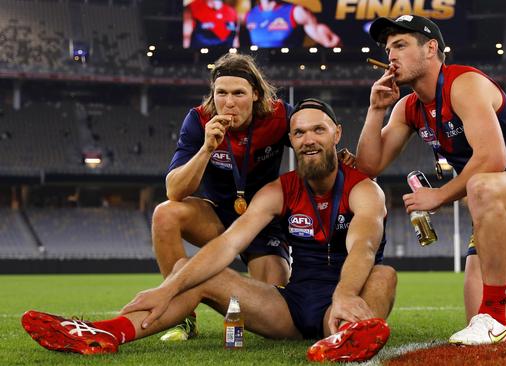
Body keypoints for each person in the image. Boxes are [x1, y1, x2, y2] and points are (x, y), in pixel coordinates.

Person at [21, 99, 396, 363]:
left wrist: (345, 295)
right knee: (196, 275)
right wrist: (168, 286)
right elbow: (229, 243)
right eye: (299, 133)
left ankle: (344, 338)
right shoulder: (279, 190)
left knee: (384, 274)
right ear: (292, 141)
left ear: (336, 134)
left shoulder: (364, 189)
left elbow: (362, 245)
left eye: (318, 130)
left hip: (346, 299)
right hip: (293, 307)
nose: (308, 139)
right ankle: (105, 332)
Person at [355, 14, 506, 345]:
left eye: (400, 45)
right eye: (388, 50)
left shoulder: (464, 83)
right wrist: (375, 111)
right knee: (486, 315)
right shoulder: (408, 107)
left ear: (431, 49)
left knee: (481, 185)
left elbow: (493, 159)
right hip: (491, 212)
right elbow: (369, 166)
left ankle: (494, 317)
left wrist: (439, 195)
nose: (391, 56)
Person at [153, 52, 292, 341]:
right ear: (213, 94)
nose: (229, 102)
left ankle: (225, 290)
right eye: (221, 93)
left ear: (255, 93)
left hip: (262, 223)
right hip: (217, 218)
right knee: (165, 213)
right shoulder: (199, 119)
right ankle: (182, 319)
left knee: (278, 312)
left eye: (238, 93)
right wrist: (206, 148)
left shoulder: (279, 116)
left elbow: (311, 138)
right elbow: (175, 191)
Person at [239, 0, 340, 48]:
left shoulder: (295, 12)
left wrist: (331, 42)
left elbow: (331, 41)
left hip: (288, 72)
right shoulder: (249, 16)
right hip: (259, 73)